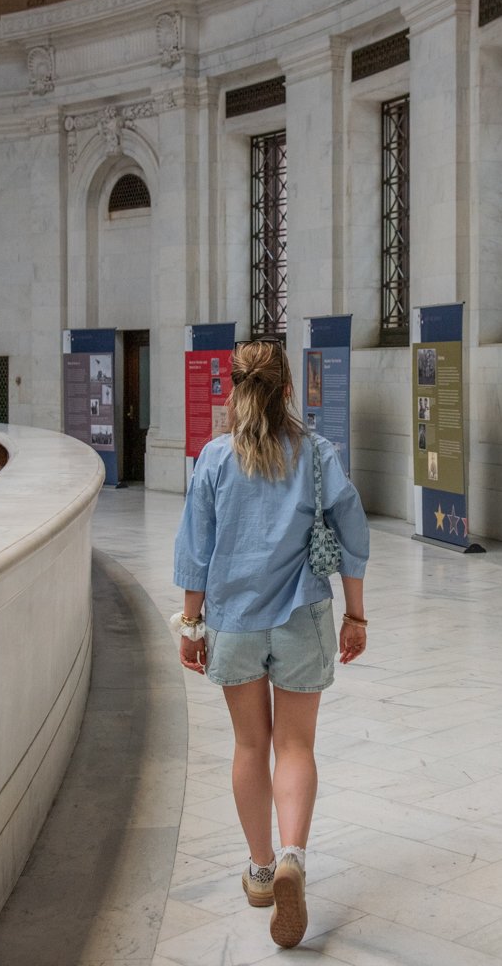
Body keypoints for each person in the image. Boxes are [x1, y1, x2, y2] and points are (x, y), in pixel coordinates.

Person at [172, 339, 369, 949]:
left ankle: (260, 872)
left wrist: (191, 624)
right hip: (302, 616)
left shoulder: (214, 459)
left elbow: (194, 551)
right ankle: (293, 858)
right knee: (295, 744)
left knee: (249, 743)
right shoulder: (318, 454)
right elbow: (353, 533)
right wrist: (356, 616)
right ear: (288, 390)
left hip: (233, 620)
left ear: (233, 390)